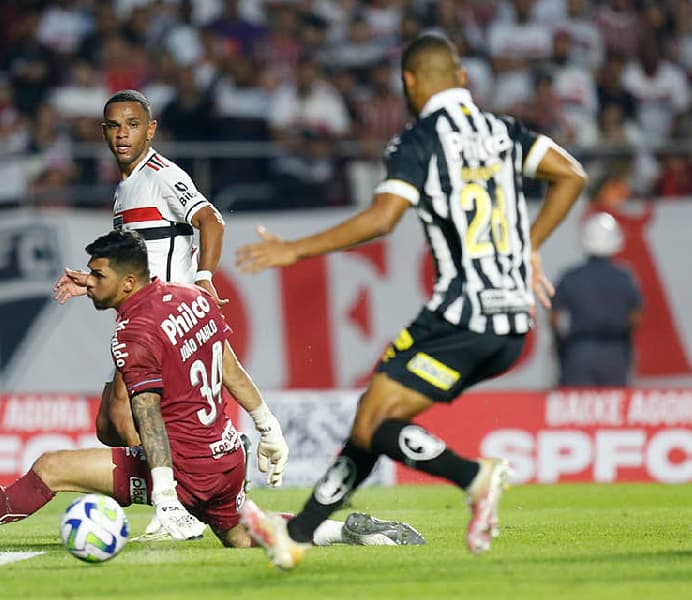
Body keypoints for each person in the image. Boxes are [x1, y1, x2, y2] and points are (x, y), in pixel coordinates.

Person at [235, 32, 587, 569]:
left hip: (460, 313)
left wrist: (294, 250)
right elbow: (571, 173)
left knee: (374, 422)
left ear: (409, 83)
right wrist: (527, 248)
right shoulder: (504, 131)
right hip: (513, 323)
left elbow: (381, 219)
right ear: (463, 78)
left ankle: (475, 477)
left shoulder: (419, 141)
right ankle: (297, 536)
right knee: (370, 422)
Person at [0, 231, 424, 553]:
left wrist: (163, 492)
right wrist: (267, 425)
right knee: (239, 535)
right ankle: (348, 532)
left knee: (53, 466)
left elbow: (148, 414)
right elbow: (226, 363)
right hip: (228, 454)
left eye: (99, 275)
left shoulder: (133, 333)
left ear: (128, 282)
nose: (92, 281)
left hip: (186, 467)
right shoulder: (187, 297)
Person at [51, 89, 284, 540]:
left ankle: (172, 501)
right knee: (108, 424)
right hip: (147, 313)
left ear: (150, 129)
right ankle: (210, 469)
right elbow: (141, 258)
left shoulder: (161, 175)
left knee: (124, 413)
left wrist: (204, 278)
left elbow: (211, 219)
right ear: (103, 132)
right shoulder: (126, 187)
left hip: (167, 317)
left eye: (133, 125)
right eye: (115, 126)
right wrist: (91, 280)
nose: (123, 134)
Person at [551, 212, 641, 386]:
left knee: (578, 407)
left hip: (579, 350)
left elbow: (554, 318)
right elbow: (635, 317)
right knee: (613, 407)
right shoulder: (624, 277)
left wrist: (563, 343)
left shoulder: (571, 277)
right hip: (615, 351)